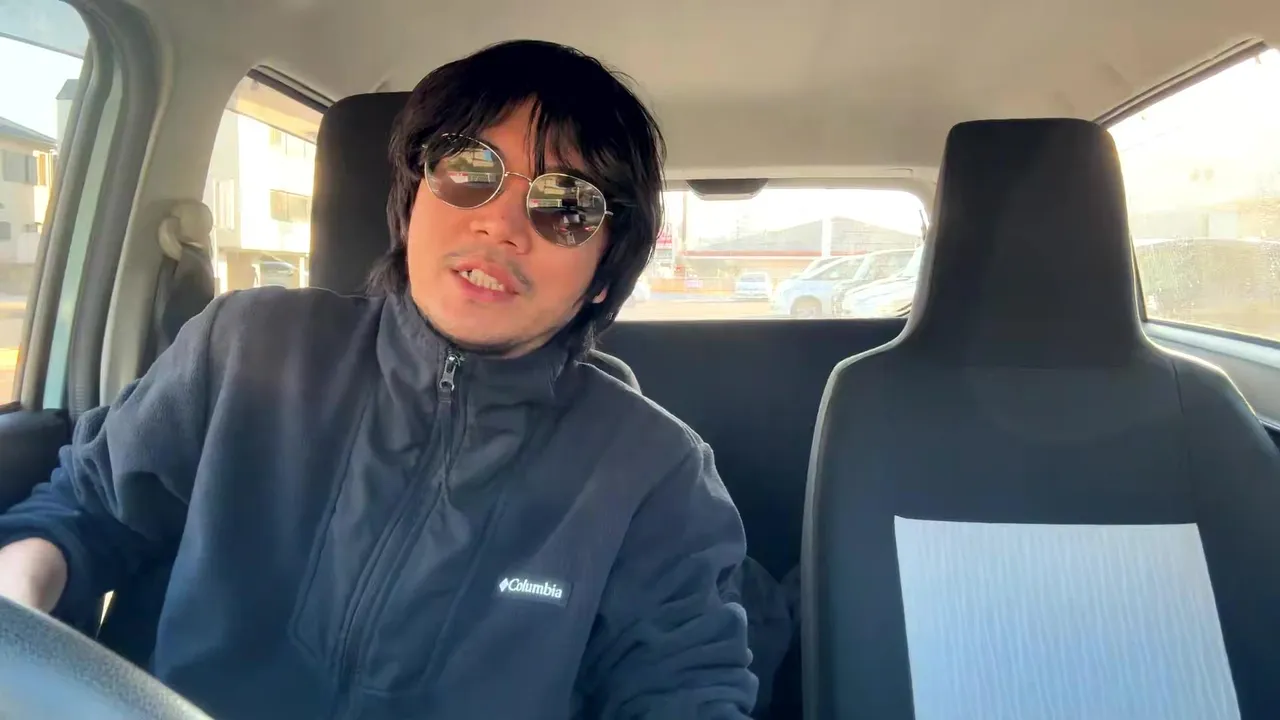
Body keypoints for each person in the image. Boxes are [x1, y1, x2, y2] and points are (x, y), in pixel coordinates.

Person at [0, 40, 756, 719]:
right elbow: (87, 509)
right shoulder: (247, 347)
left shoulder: (653, 472)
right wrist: (18, 603)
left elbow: (682, 684)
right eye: (470, 170)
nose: (499, 225)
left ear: (604, 275)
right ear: (413, 195)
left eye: (566, 205)